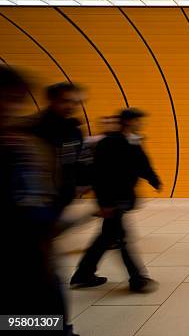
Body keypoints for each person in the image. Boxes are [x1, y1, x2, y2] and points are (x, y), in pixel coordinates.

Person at [0, 66, 78, 335]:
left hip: (30, 255)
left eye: (15, 101)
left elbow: (37, 196)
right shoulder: (28, 138)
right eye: (6, 100)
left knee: (42, 314)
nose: (8, 109)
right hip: (20, 256)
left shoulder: (24, 145)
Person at [70, 108, 161, 292]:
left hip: (122, 196)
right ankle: (137, 279)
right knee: (121, 238)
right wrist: (105, 202)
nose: (140, 124)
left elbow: (141, 164)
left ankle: (83, 274)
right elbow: (100, 174)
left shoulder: (133, 140)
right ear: (128, 121)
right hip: (113, 198)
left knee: (106, 237)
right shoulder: (109, 143)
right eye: (137, 120)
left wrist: (154, 179)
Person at [29, 82, 87, 213]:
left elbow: (74, 160)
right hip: (37, 198)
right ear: (51, 100)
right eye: (65, 101)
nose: (70, 106)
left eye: (75, 102)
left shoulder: (74, 130)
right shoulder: (36, 128)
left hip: (61, 196)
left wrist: (80, 182)